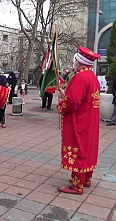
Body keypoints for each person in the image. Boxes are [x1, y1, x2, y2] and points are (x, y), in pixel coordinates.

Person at [56, 46, 100, 195]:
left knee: (79, 147)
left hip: (80, 120)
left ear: (80, 61)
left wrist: (62, 103)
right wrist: (65, 93)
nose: (74, 62)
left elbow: (74, 101)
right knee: (87, 148)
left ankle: (77, 185)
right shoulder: (91, 76)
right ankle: (86, 178)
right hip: (90, 120)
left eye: (75, 60)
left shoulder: (80, 77)